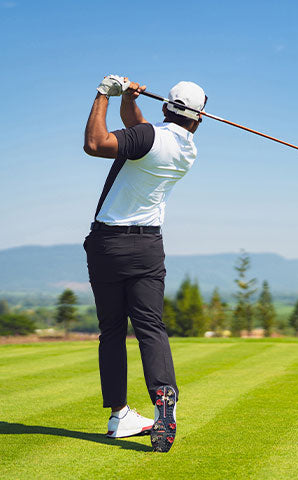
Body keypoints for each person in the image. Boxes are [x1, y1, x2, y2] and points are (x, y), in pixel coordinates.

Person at [83, 75, 206, 452]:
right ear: (198, 119)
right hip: (149, 245)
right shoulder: (188, 149)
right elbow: (140, 132)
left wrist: (104, 94)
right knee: (151, 327)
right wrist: (129, 99)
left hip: (108, 244)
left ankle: (119, 414)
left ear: (166, 107)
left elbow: (95, 144)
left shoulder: (149, 136)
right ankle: (163, 398)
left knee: (112, 332)